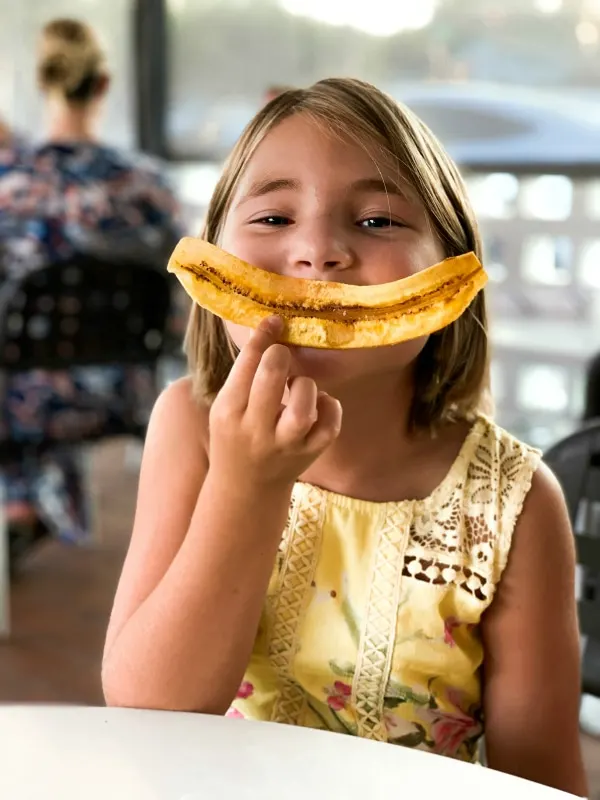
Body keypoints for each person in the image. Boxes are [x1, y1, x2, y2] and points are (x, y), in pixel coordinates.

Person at [102, 79, 587, 795]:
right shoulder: (190, 429)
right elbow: (148, 708)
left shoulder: (513, 503)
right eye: (272, 215)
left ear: (448, 276)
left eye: (377, 222)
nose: (318, 253)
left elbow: (543, 776)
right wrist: (246, 483)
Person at [0, 19, 182, 550]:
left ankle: (23, 501)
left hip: (19, 399)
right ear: (103, 85)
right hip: (126, 392)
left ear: (42, 82)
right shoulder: (148, 184)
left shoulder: (11, 182)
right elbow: (180, 291)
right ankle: (38, 503)